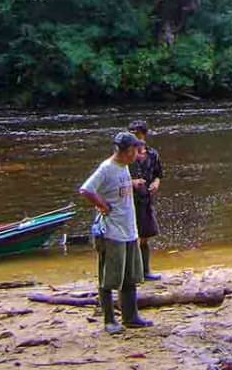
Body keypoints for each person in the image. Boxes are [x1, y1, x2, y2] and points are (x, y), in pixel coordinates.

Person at [79, 132, 153, 334]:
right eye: (135, 150)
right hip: (111, 232)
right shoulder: (106, 168)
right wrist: (102, 205)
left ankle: (131, 317)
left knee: (130, 277)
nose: (137, 153)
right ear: (127, 150)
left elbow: (116, 188)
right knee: (108, 278)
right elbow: (86, 190)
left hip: (129, 230)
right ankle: (109, 320)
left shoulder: (124, 167)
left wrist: (132, 184)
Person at [127, 119, 164, 281]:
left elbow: (158, 174)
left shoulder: (153, 154)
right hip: (128, 201)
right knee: (129, 238)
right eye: (132, 134)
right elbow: (115, 179)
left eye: (138, 134)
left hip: (145, 200)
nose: (136, 138)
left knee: (144, 237)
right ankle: (131, 274)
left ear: (144, 135)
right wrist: (132, 183)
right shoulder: (126, 155)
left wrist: (156, 184)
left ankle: (145, 271)